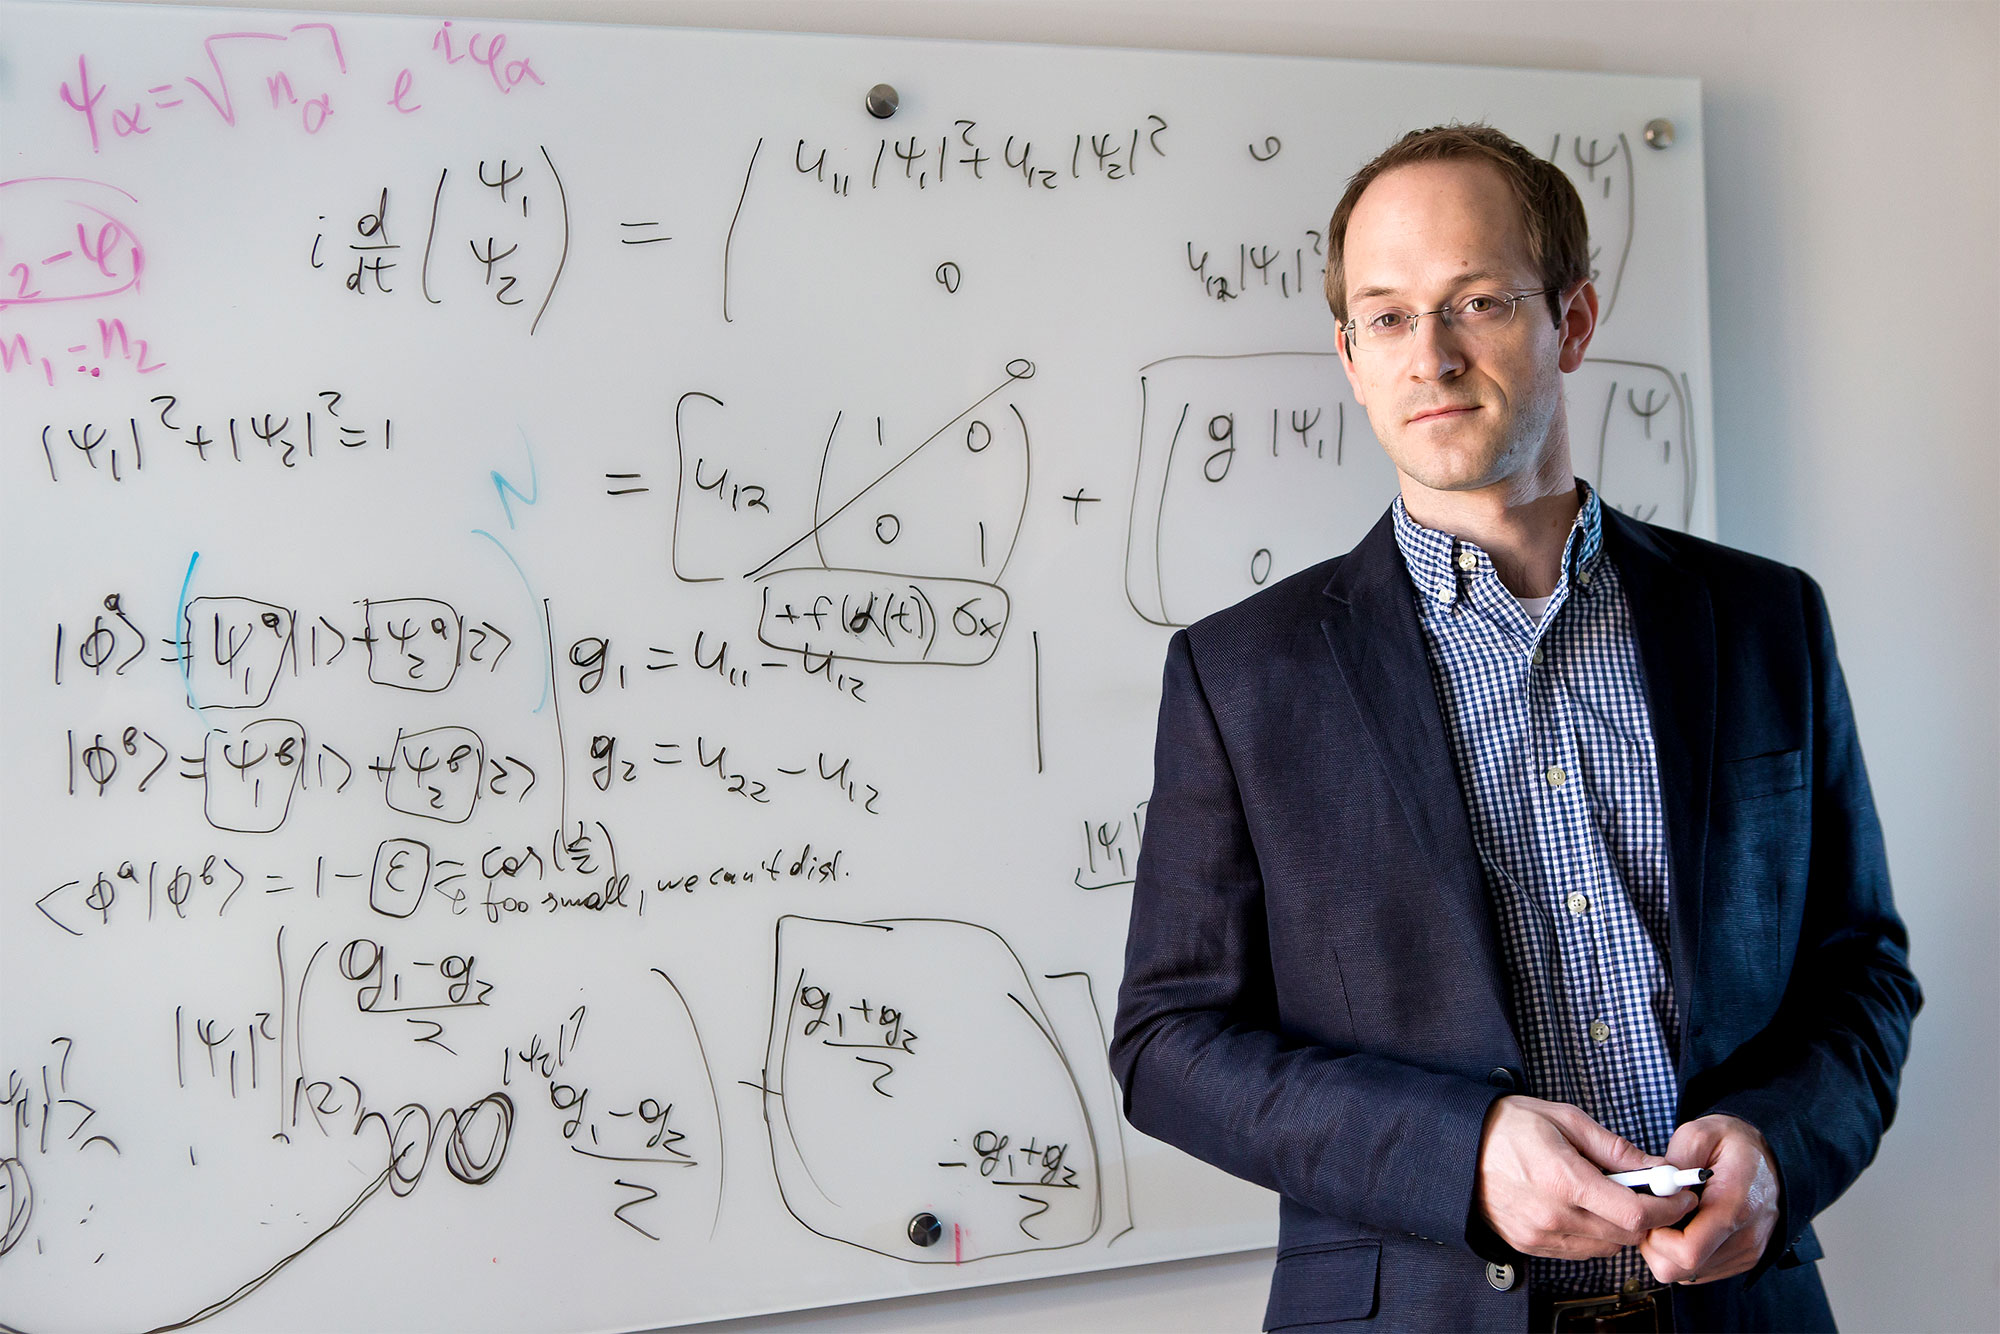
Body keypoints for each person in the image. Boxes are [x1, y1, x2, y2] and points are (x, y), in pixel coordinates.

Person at [1108, 124, 1920, 1333]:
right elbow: (1167, 1043)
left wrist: (1776, 1147)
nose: (1428, 355)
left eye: (1475, 300)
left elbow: (1860, 974)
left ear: (1572, 322)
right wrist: (1461, 1154)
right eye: (1383, 317)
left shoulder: (1762, 621)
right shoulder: (1242, 674)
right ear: (1347, 355)